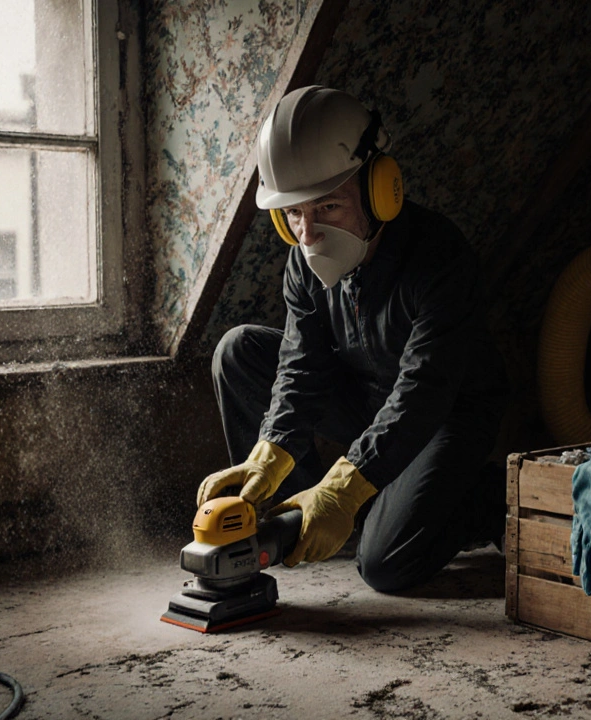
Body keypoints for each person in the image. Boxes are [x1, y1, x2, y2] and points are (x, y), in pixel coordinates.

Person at [199, 85, 510, 593]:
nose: (310, 233)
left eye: (327, 207)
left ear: (379, 188)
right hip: (367, 399)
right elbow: (302, 367)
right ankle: (297, 519)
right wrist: (269, 454)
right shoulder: (302, 262)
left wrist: (344, 490)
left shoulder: (441, 260)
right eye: (294, 214)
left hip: (445, 414)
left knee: (386, 564)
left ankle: (478, 496)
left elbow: (423, 393)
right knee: (239, 350)